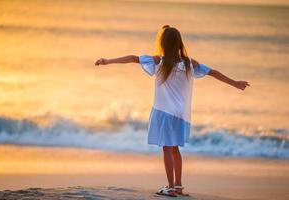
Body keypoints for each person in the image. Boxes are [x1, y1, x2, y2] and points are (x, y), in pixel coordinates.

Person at [95, 25, 250, 197]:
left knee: (167, 149)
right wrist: (235, 83)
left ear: (163, 43)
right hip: (181, 114)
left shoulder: (159, 61)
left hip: (164, 111)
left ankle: (170, 187)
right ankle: (178, 185)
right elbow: (213, 72)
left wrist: (107, 61)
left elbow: (133, 58)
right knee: (175, 149)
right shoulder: (189, 63)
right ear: (178, 43)